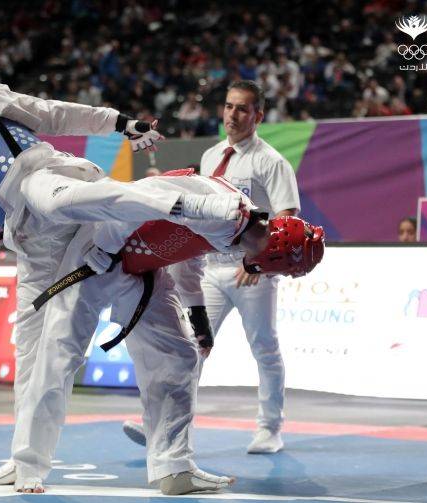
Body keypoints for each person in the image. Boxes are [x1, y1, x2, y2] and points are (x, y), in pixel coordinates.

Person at [0, 61, 242, 489]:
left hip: (63, 190)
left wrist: (118, 122)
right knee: (34, 356)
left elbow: (51, 113)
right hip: (36, 246)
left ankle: (174, 465)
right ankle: (25, 463)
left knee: (171, 346)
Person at [0, 169, 323, 495]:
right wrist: (105, 245)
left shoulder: (239, 231)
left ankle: (174, 467)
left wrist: (198, 316)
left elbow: (191, 254)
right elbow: (140, 195)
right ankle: (26, 464)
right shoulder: (224, 208)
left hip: (144, 271)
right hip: (98, 254)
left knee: (179, 357)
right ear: (278, 258)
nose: (273, 276)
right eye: (282, 272)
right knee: (59, 355)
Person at [123, 80, 301, 455]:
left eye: (242, 109)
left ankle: (270, 429)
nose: (233, 115)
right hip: (209, 269)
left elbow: (287, 220)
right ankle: (163, 423)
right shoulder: (210, 156)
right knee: (191, 347)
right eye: (229, 106)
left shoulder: (271, 162)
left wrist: (258, 263)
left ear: (258, 116)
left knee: (264, 347)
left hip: (251, 273)